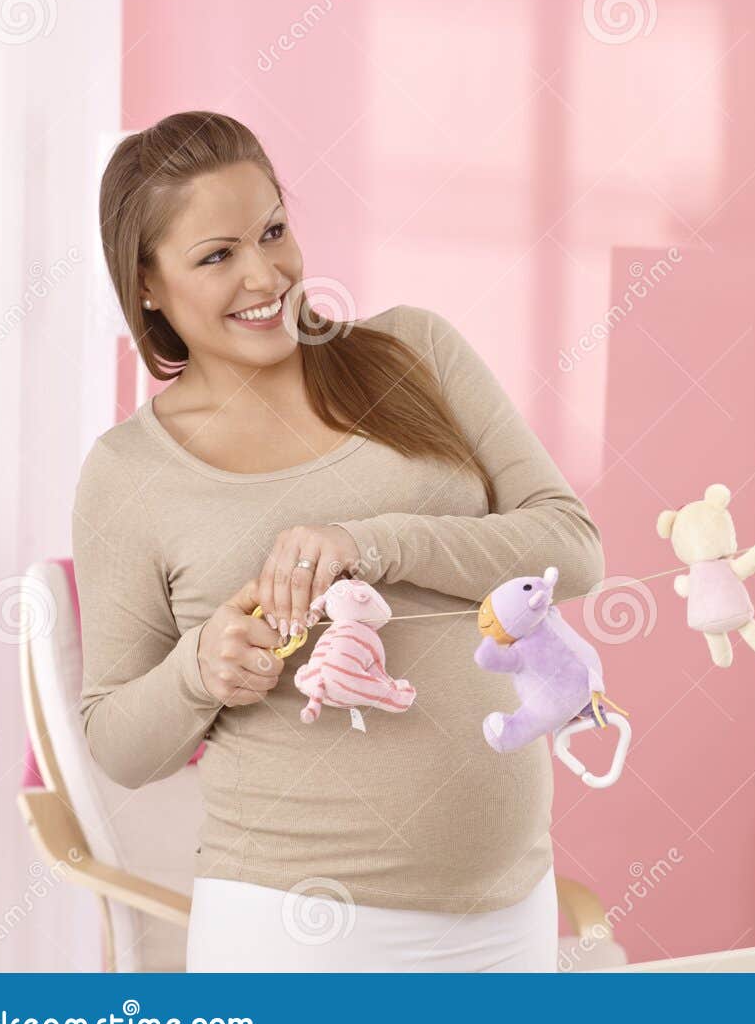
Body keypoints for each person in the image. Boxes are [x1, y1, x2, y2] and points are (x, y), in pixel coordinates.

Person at [77, 111, 603, 970]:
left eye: (273, 231)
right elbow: (119, 745)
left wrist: (371, 540)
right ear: (146, 284)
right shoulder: (128, 472)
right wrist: (200, 667)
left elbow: (570, 547)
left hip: (510, 907)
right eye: (216, 256)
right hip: (294, 932)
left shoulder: (413, 352)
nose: (265, 273)